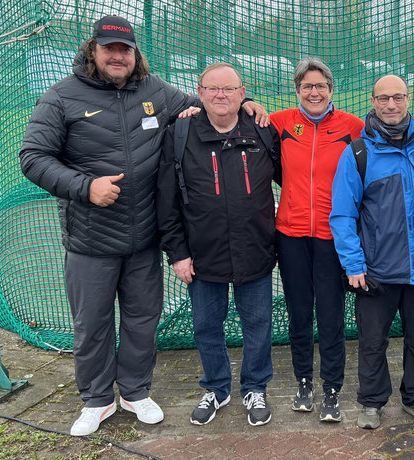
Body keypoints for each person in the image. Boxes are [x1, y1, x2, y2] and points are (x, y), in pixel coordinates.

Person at [18, 15, 265, 436]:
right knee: (92, 323)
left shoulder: (155, 91)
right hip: (90, 237)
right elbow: (33, 157)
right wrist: (85, 186)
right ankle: (96, 401)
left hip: (144, 237)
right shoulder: (61, 97)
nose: (118, 56)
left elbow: (210, 98)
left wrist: (246, 103)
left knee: (142, 318)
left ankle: (134, 391)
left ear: (135, 54)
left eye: (125, 50)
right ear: (92, 51)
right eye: (109, 48)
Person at [157, 63, 281, 427]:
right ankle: (216, 388)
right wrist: (177, 253)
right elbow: (167, 202)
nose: (220, 96)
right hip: (202, 256)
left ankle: (255, 387)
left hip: (255, 251)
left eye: (229, 89)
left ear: (243, 94)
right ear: (200, 92)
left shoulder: (262, 131)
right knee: (206, 327)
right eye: (212, 89)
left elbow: (292, 178)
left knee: (258, 324)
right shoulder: (180, 133)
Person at [330, 75, 414, 430]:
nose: (391, 105)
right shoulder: (358, 152)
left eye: (398, 97)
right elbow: (343, 214)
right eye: (383, 99)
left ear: (409, 99)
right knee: (372, 341)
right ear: (373, 101)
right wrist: (353, 264)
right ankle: (372, 402)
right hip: (376, 269)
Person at [269, 58, 363, 422]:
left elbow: (392, 129)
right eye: (307, 86)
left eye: (320, 86)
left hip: (331, 237)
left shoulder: (352, 126)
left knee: (331, 314)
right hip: (290, 234)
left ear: (330, 89)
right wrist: (250, 104)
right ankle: (304, 381)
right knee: (298, 313)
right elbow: (241, 113)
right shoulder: (280, 122)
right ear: (297, 90)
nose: (314, 92)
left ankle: (331, 388)